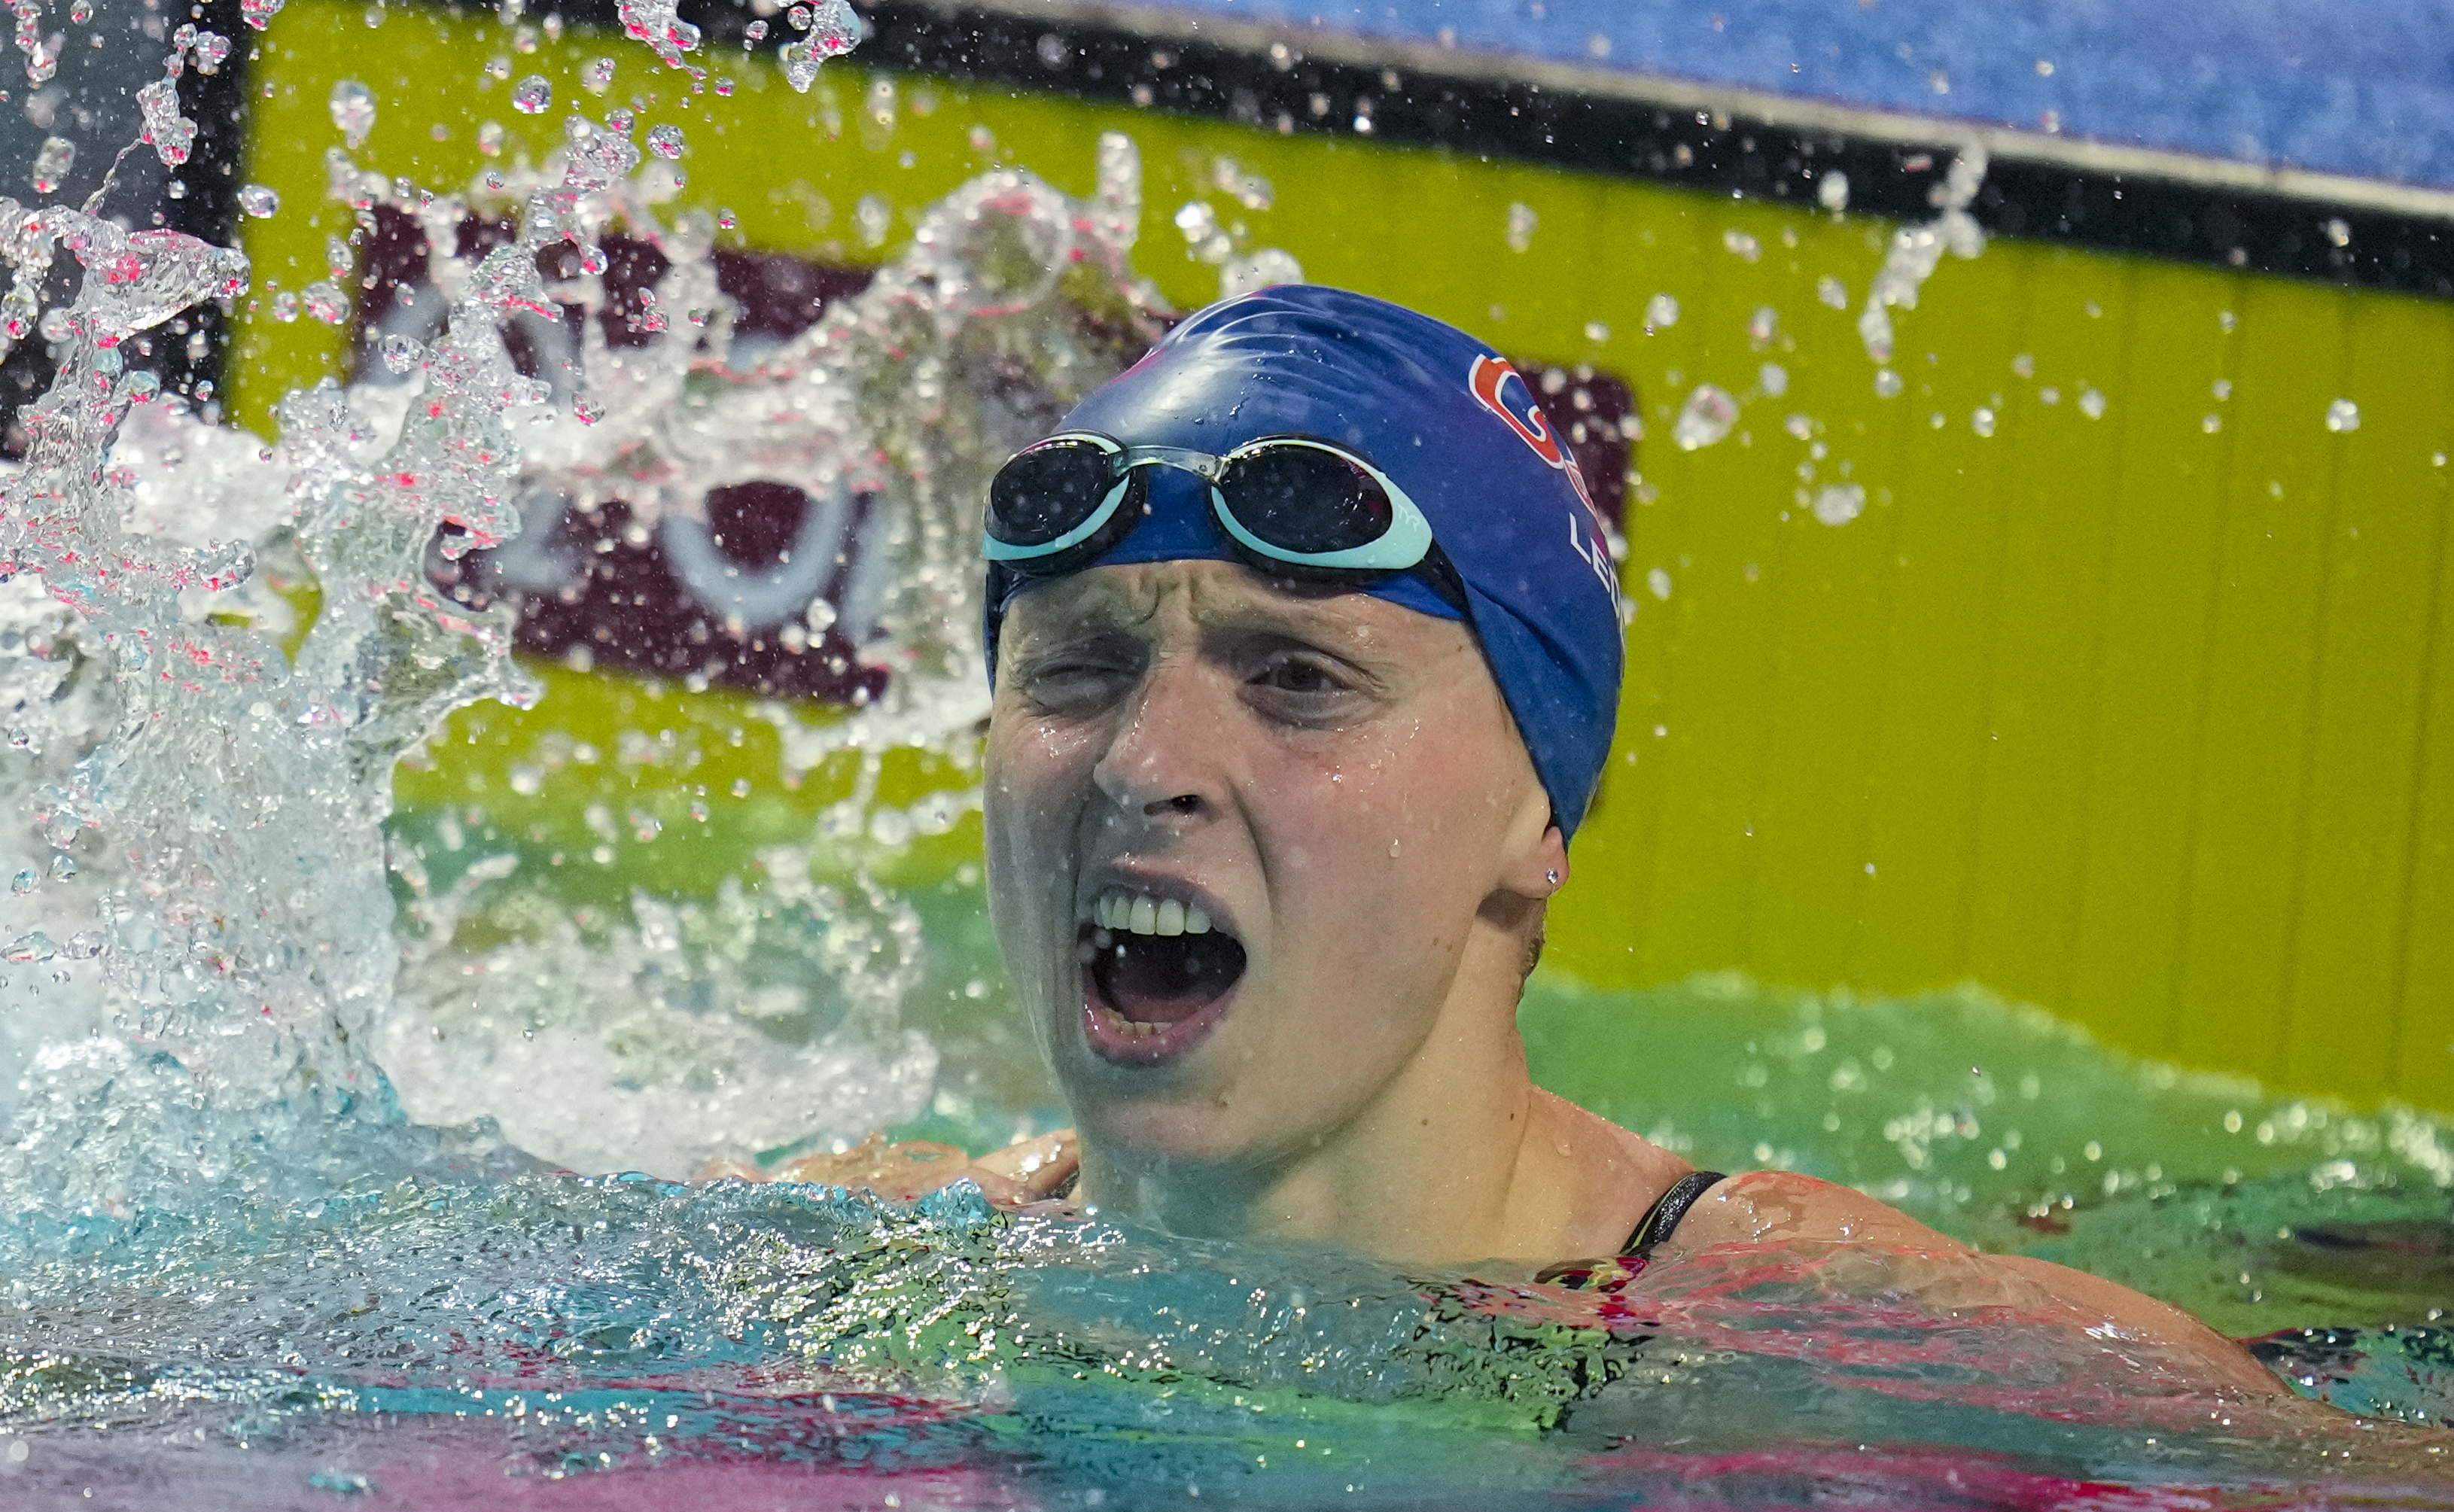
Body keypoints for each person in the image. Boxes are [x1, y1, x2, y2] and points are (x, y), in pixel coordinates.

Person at [770, 284, 2283, 1398]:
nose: (1143, 762)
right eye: (1073, 669)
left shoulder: (1846, 1348)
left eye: (1297, 677)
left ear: (1535, 817)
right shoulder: (853, 1260)